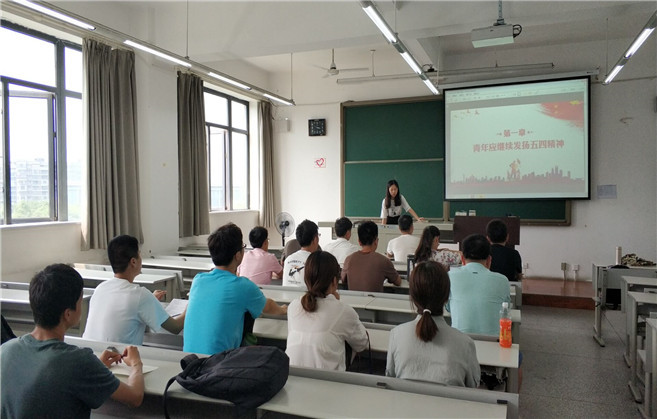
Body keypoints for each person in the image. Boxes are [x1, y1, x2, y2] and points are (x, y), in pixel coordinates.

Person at [1, 264, 144, 417]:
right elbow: (135, 397)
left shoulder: (5, 350)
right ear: (68, 314)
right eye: (80, 301)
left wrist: (97, 367)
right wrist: (136, 364)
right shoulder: (79, 361)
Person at [184, 223, 288, 355]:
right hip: (218, 362)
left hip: (188, 359)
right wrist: (283, 310)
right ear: (238, 255)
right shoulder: (242, 286)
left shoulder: (198, 280)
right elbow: (268, 306)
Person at [386, 261, 480, 387]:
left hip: (405, 400)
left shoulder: (396, 335)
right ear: (446, 298)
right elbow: (473, 386)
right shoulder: (465, 343)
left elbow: (390, 378)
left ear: (413, 297)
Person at [83, 235, 186, 345]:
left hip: (92, 351)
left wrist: (151, 300)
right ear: (133, 262)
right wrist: (191, 305)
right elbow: (175, 327)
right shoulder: (140, 295)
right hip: (118, 355)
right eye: (139, 254)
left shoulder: (101, 288)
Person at [286, 251, 369, 371]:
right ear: (335, 281)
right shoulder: (343, 310)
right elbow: (362, 344)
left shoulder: (294, 306)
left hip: (291, 376)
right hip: (327, 380)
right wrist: (337, 302)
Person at [447, 234, 511, 336]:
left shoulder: (449, 277)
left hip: (460, 340)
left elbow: (448, 307)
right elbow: (506, 310)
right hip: (493, 342)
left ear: (462, 259)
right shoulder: (502, 280)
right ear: (489, 260)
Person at [342, 220, 401, 292]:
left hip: (352, 299)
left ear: (359, 242)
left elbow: (343, 280)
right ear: (376, 241)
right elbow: (398, 282)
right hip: (376, 299)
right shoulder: (383, 261)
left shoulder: (348, 259)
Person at [283, 220, 320, 287]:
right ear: (315, 239)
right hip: (307, 294)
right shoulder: (316, 262)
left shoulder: (288, 259)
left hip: (286, 294)